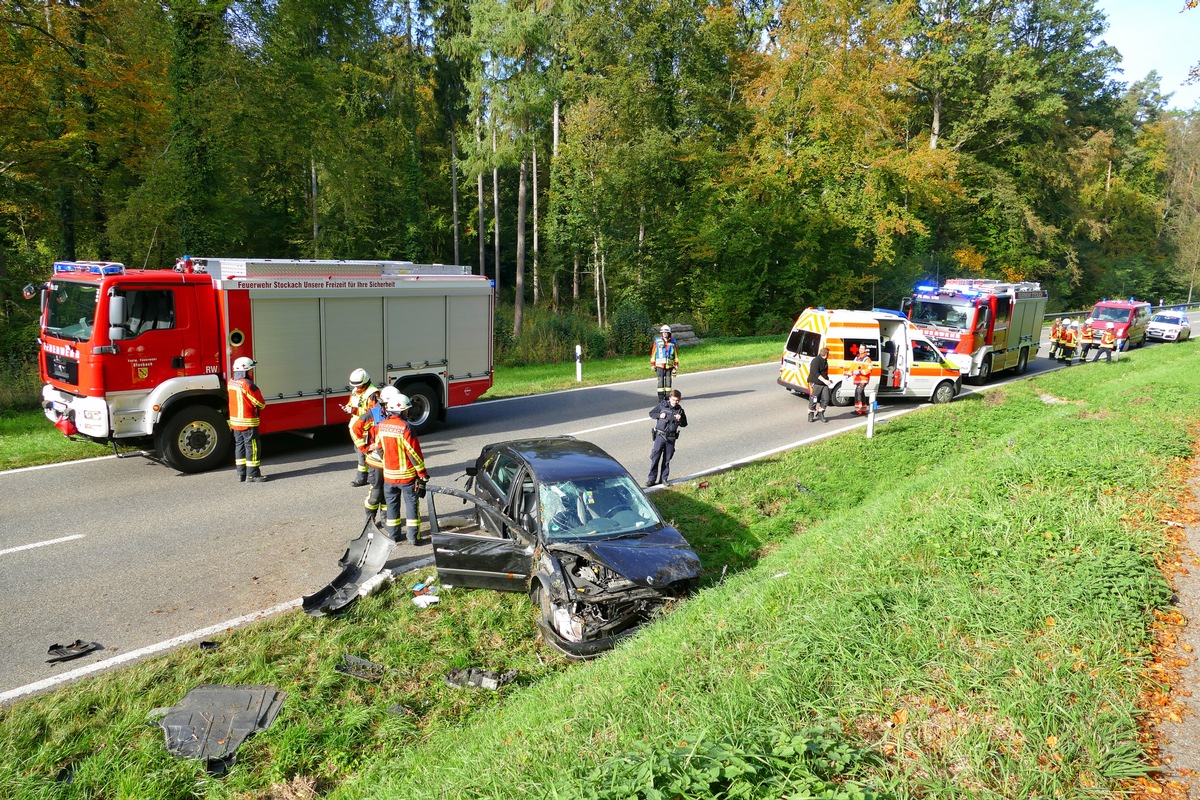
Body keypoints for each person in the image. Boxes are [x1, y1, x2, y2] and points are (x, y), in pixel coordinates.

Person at [376, 389, 429, 545]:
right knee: (412, 506)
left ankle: (393, 536)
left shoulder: (382, 426)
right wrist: (423, 475)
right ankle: (413, 537)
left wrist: (387, 461)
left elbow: (378, 448)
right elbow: (414, 454)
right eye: (407, 409)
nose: (408, 411)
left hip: (389, 477)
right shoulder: (406, 428)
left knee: (392, 507)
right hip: (407, 477)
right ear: (402, 410)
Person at [228, 356, 266, 482]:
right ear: (246, 371)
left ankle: (241, 474)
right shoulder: (248, 385)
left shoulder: (231, 382)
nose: (252, 372)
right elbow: (260, 404)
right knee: (253, 447)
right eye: (251, 370)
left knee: (239, 446)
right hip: (248, 422)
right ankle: (253, 475)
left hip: (235, 422)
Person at [351, 385, 385, 528]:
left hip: (390, 464)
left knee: (389, 494)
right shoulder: (376, 413)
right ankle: (369, 520)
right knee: (376, 491)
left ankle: (387, 520)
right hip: (376, 461)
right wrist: (364, 447)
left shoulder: (397, 416)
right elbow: (355, 429)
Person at [344, 368, 378, 487]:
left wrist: (354, 410)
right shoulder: (356, 390)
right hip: (356, 427)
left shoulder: (373, 394)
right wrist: (348, 407)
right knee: (359, 449)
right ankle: (371, 474)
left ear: (365, 382)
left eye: (359, 386)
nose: (357, 388)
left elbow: (373, 412)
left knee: (362, 450)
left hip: (365, 428)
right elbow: (352, 402)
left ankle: (362, 476)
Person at [647, 389, 687, 487]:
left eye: (677, 400)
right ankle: (651, 479)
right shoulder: (662, 405)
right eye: (673, 400)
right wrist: (660, 415)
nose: (675, 402)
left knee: (667, 459)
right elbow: (651, 413)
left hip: (671, 438)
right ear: (670, 398)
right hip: (660, 436)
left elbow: (684, 424)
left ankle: (663, 479)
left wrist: (680, 419)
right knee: (655, 458)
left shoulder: (680, 410)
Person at [650, 325, 678, 400]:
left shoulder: (673, 342)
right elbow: (653, 353)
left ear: (669, 333)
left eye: (666, 332)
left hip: (669, 366)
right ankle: (661, 398)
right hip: (659, 366)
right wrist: (652, 364)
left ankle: (668, 397)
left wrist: (676, 365)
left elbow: (675, 354)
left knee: (668, 382)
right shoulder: (657, 341)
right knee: (660, 382)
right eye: (663, 332)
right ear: (661, 333)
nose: (665, 333)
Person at [807, 346, 833, 423]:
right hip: (815, 383)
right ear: (826, 354)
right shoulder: (816, 361)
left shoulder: (825, 361)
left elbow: (824, 372)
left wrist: (828, 380)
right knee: (814, 399)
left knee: (826, 399)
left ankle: (820, 413)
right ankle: (811, 414)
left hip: (823, 383)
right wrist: (825, 381)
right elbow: (815, 373)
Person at [851, 346, 872, 415]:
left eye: (862, 349)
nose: (860, 350)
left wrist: (860, 372)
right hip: (858, 379)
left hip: (863, 379)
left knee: (858, 392)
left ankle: (858, 410)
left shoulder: (867, 359)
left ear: (865, 350)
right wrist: (849, 373)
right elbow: (852, 367)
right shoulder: (857, 358)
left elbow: (869, 369)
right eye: (860, 348)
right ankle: (863, 409)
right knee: (861, 393)